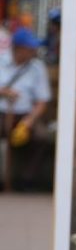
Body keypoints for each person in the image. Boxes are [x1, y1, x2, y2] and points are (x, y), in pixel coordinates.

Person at [0, 28, 53, 190]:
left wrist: (28, 122)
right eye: (29, 48)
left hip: (25, 115)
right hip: (2, 112)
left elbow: (42, 101)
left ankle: (25, 180)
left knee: (41, 138)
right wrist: (4, 92)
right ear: (18, 48)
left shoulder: (37, 68)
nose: (33, 51)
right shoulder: (1, 61)